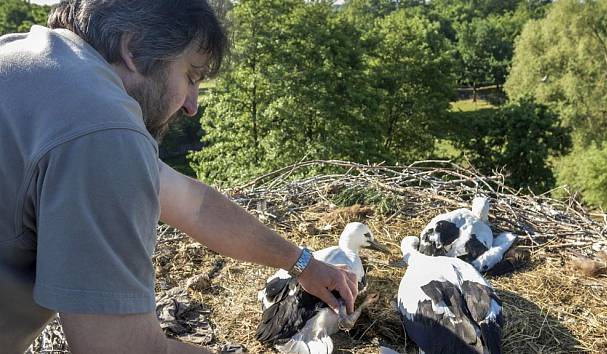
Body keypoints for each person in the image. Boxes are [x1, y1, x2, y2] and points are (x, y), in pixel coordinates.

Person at [0, 1, 358, 353]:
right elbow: (123, 349)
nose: (192, 105)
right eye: (191, 75)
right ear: (133, 47)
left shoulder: (35, 64)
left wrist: (303, 264)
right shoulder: (102, 128)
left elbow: (195, 205)